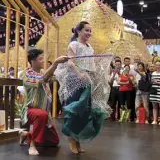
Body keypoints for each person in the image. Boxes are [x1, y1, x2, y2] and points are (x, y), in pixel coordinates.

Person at [55, 21, 112, 154]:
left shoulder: (89, 47)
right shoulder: (74, 44)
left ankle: (78, 140)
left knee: (85, 112)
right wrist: (80, 74)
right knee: (74, 110)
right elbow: (70, 63)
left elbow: (91, 65)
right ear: (78, 31)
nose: (89, 33)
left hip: (87, 81)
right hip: (74, 81)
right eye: (86, 30)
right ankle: (72, 141)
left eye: (90, 31)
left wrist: (95, 75)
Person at [19, 49, 70, 155]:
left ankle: (26, 134)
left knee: (54, 141)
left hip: (44, 113)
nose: (43, 61)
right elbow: (43, 79)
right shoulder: (26, 74)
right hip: (30, 110)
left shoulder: (43, 71)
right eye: (40, 59)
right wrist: (55, 63)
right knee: (41, 115)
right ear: (33, 61)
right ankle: (32, 145)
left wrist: (66, 65)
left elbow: (54, 76)